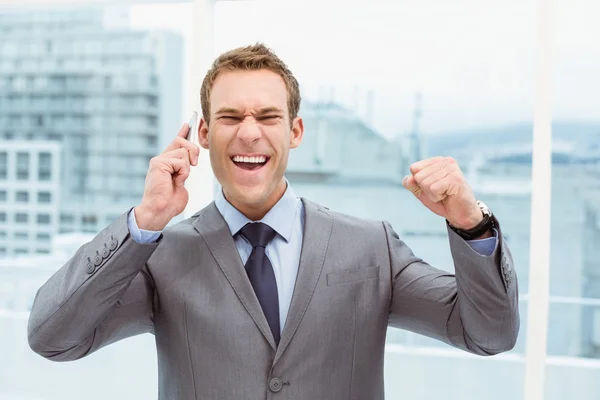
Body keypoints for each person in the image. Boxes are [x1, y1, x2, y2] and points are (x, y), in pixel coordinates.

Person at [27, 43, 519, 399]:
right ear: (202, 131)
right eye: (229, 117)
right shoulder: (163, 256)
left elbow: (488, 334)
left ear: (295, 130)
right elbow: (52, 337)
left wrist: (471, 225)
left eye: (267, 116)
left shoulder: (372, 247)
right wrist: (144, 220)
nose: (249, 133)